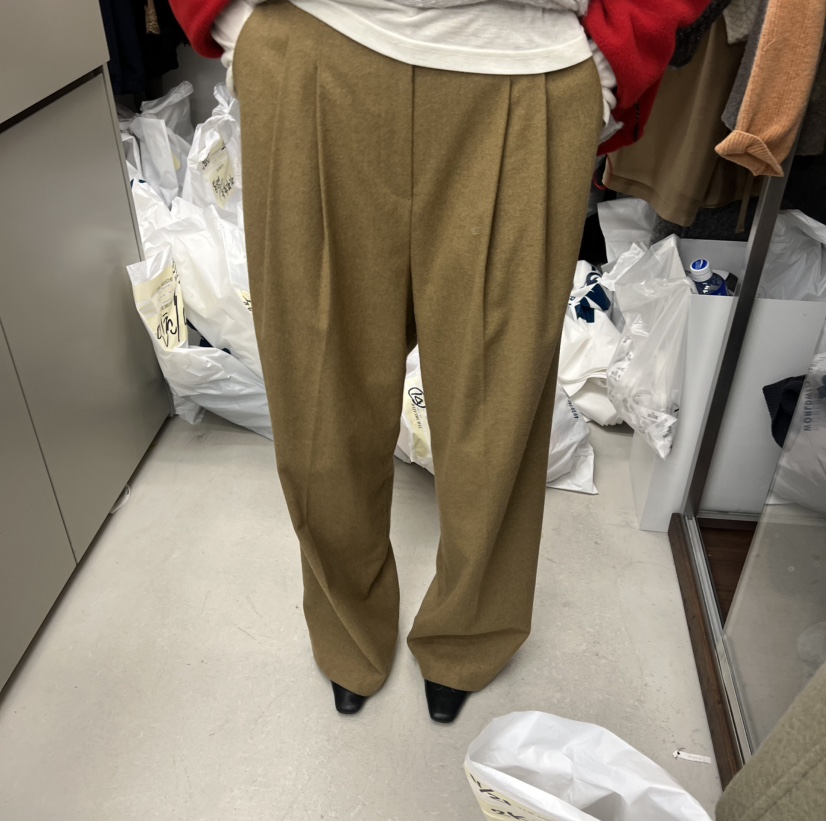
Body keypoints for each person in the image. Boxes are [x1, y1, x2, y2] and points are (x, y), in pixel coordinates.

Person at [169, 0, 713, 723]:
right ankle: (346, 625)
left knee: (497, 408)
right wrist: (235, 21)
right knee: (319, 400)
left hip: (525, 67)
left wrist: (613, 65)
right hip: (315, 44)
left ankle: (468, 632)